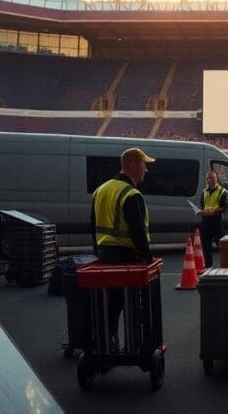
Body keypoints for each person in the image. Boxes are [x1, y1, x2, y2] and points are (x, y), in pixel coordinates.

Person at [91, 147, 155, 345]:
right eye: (144, 165)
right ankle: (133, 345)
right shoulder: (130, 194)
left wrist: (98, 251)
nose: (146, 170)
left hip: (104, 254)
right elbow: (137, 231)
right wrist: (148, 258)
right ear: (133, 166)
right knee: (130, 303)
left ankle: (106, 340)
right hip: (126, 257)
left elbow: (92, 226)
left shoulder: (101, 190)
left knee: (109, 302)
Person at [197, 171, 228, 268]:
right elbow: (202, 204)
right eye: (208, 178)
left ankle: (225, 264)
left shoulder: (222, 191)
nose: (210, 180)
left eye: (212, 178)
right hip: (205, 220)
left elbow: (224, 207)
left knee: (219, 243)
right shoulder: (204, 191)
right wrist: (201, 211)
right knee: (206, 244)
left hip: (216, 220)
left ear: (216, 179)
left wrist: (213, 212)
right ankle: (208, 265)